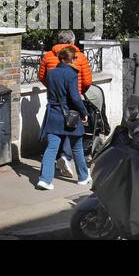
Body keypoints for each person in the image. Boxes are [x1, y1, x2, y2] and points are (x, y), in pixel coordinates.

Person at [37, 29, 93, 180]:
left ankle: (46, 179)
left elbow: (42, 77)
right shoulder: (79, 58)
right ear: (71, 43)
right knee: (76, 141)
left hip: (55, 103)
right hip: (73, 103)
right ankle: (70, 162)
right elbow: (87, 81)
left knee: (53, 142)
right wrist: (81, 96)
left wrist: (54, 89)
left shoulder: (48, 57)